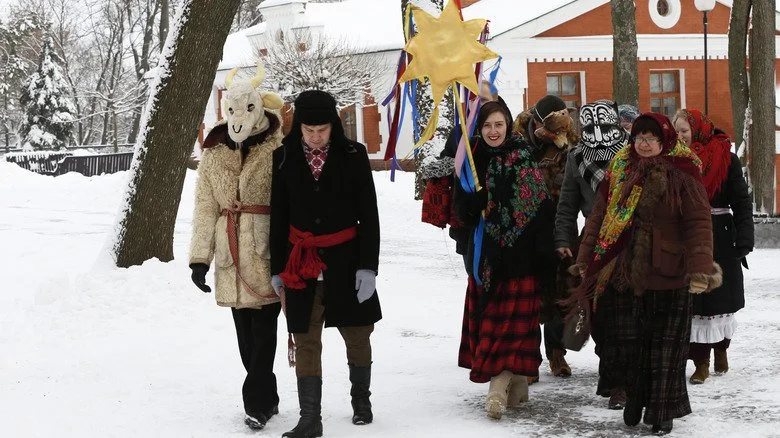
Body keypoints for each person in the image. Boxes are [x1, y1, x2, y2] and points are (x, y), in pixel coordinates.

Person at [569, 112, 722, 435]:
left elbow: (698, 222)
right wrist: (586, 257)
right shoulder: (619, 168)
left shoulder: (684, 169)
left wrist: (700, 268)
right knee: (627, 344)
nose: (645, 143)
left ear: (665, 139)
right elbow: (598, 216)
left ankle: (661, 409)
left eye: (651, 138)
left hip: (669, 273)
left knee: (665, 349)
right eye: (639, 137)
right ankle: (635, 397)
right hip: (623, 271)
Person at [270, 89, 382, 438]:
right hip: (300, 264)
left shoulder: (354, 155)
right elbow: (278, 217)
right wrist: (277, 269)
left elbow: (369, 215)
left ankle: (361, 400)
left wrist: (368, 266)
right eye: (309, 130)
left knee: (358, 333)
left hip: (347, 261)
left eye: (322, 130)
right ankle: (310, 418)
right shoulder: (283, 157)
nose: (316, 137)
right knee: (305, 339)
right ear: (298, 127)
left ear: (333, 125)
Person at [189, 66, 285, 430]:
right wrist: (200, 258)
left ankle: (256, 404)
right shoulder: (213, 155)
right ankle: (269, 396)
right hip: (229, 253)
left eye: (246, 108)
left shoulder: (278, 149)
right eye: (232, 109)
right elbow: (204, 207)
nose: (238, 117)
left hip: (266, 252)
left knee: (265, 331)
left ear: (259, 108)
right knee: (246, 336)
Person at [454, 101, 557, 420]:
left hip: (522, 256)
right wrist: (475, 203)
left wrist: (545, 259)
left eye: (499, 124)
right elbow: (461, 215)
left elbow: (541, 209)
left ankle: (498, 387)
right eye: (487, 126)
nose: (493, 131)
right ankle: (513, 383)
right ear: (479, 129)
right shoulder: (471, 160)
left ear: (508, 125)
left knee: (516, 325)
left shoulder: (522, 156)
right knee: (493, 324)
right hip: (487, 256)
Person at [553, 100, 628, 409]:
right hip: (593, 242)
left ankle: (627, 381)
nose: (598, 134)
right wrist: (562, 237)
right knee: (601, 313)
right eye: (591, 129)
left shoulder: (631, 152)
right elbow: (568, 203)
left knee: (629, 312)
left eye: (606, 127)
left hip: (631, 240)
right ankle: (612, 378)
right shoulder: (575, 158)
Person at [673, 109, 754, 384]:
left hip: (720, 235)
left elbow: (741, 202)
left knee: (721, 300)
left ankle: (721, 351)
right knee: (695, 301)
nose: (681, 136)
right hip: (687, 236)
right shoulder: (674, 160)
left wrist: (744, 238)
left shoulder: (725, 158)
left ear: (698, 129)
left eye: (685, 131)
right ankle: (700, 362)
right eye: (678, 131)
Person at [513, 94, 579, 381]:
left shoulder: (569, 144)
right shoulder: (518, 141)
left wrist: (562, 145)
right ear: (538, 122)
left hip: (560, 226)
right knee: (530, 296)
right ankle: (530, 358)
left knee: (560, 293)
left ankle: (556, 353)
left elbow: (576, 184)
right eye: (550, 126)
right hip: (525, 230)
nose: (555, 133)